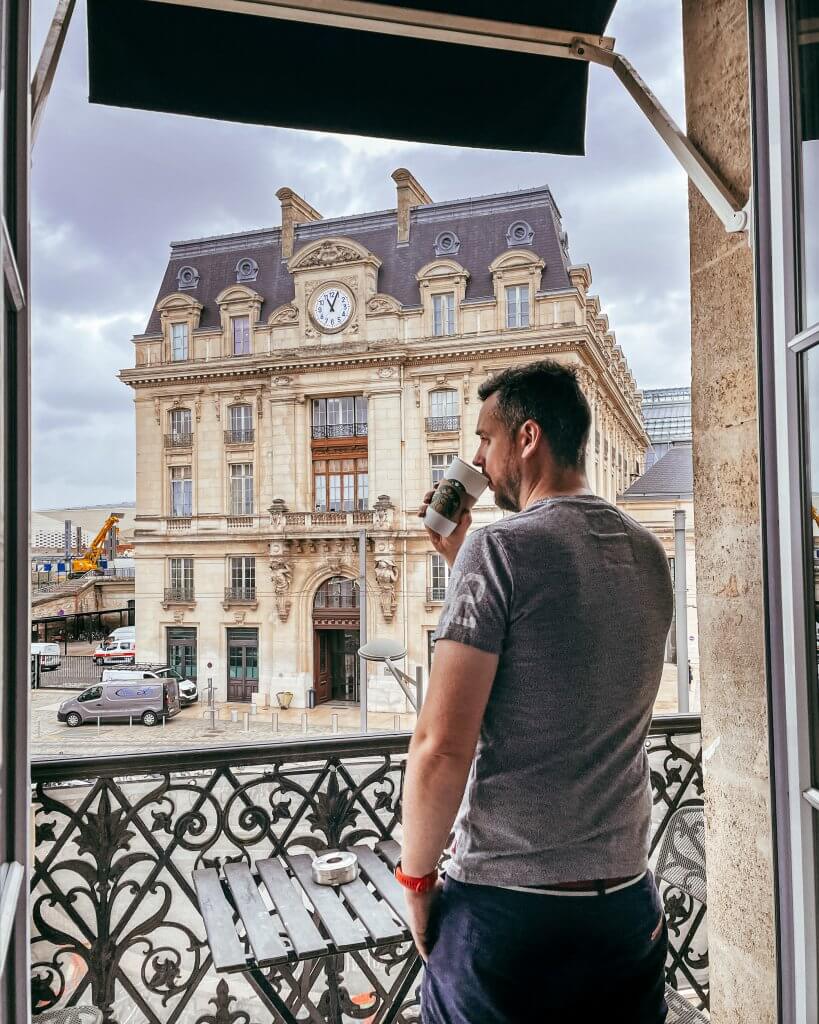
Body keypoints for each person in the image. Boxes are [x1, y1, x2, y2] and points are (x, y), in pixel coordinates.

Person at [397, 360, 673, 1023]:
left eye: (485, 440)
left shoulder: (499, 551)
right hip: (625, 905)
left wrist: (417, 880)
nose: (478, 462)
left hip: (510, 914)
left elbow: (440, 747)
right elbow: (569, 663)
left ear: (527, 438)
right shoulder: (646, 552)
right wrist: (461, 559)